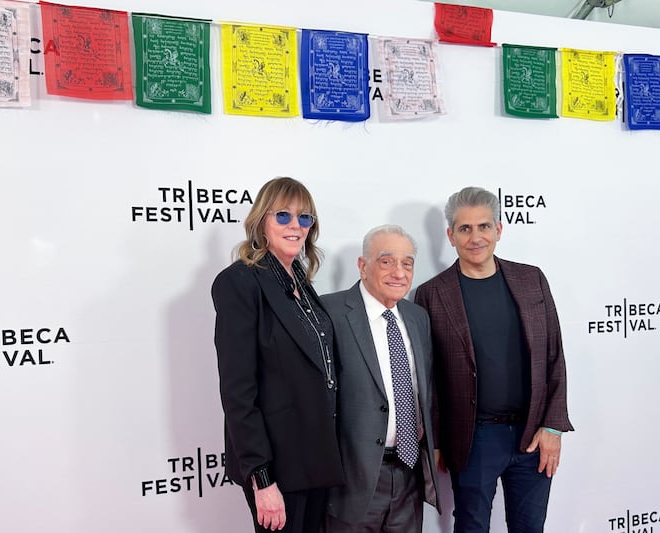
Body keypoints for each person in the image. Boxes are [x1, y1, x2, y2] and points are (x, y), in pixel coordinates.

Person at [414, 186, 574, 533]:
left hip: (533, 436)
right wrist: (437, 441)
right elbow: (429, 378)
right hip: (473, 438)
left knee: (530, 527)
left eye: (484, 227)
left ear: (499, 230)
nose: (476, 238)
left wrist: (552, 427)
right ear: (450, 235)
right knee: (471, 526)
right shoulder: (431, 294)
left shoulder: (532, 280)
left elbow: (554, 357)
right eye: (465, 229)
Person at [211, 177, 343, 533]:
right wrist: (262, 478)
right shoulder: (240, 282)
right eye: (283, 216)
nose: (295, 226)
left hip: (316, 459)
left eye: (305, 218)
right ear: (261, 222)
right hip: (276, 467)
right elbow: (238, 392)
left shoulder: (299, 279)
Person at [323, 224, 440, 532]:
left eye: (407, 263)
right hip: (352, 481)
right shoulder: (330, 313)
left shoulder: (418, 318)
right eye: (386, 261)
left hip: (409, 474)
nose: (398, 272)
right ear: (363, 266)